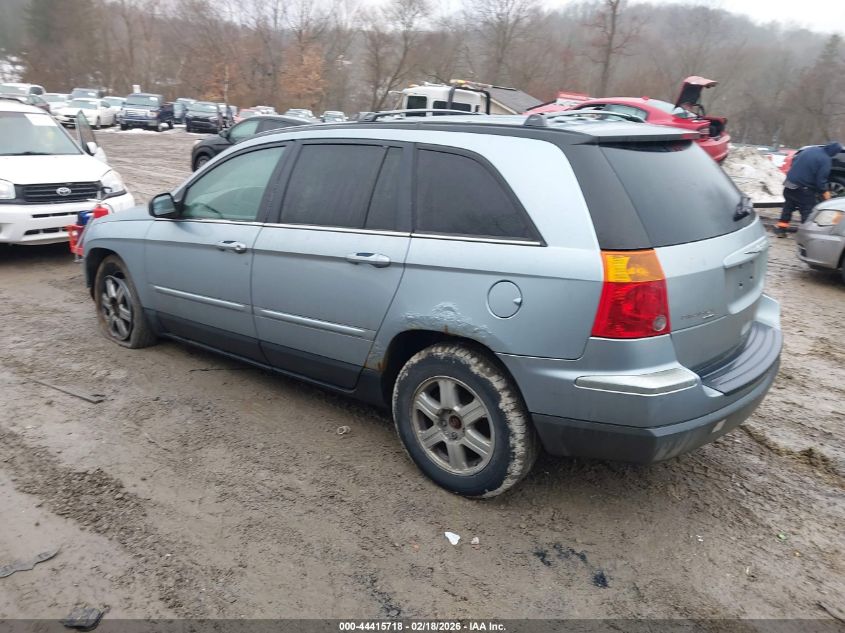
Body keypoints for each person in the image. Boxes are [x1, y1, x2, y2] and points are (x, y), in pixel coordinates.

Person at [775, 141, 843, 237]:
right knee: (807, 211)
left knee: (788, 208)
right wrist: (825, 193)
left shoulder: (811, 149)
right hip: (803, 188)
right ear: (834, 152)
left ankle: (781, 230)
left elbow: (794, 161)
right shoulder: (825, 160)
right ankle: (806, 235)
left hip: (789, 184)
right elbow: (820, 181)